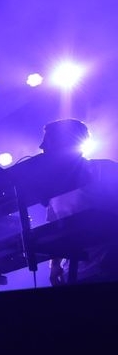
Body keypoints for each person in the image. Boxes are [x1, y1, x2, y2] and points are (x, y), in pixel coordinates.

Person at [40, 119, 118, 285]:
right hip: (77, 273)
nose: (42, 146)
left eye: (48, 140)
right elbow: (56, 229)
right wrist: (55, 265)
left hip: (111, 266)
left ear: (67, 141)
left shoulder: (105, 169)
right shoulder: (55, 188)